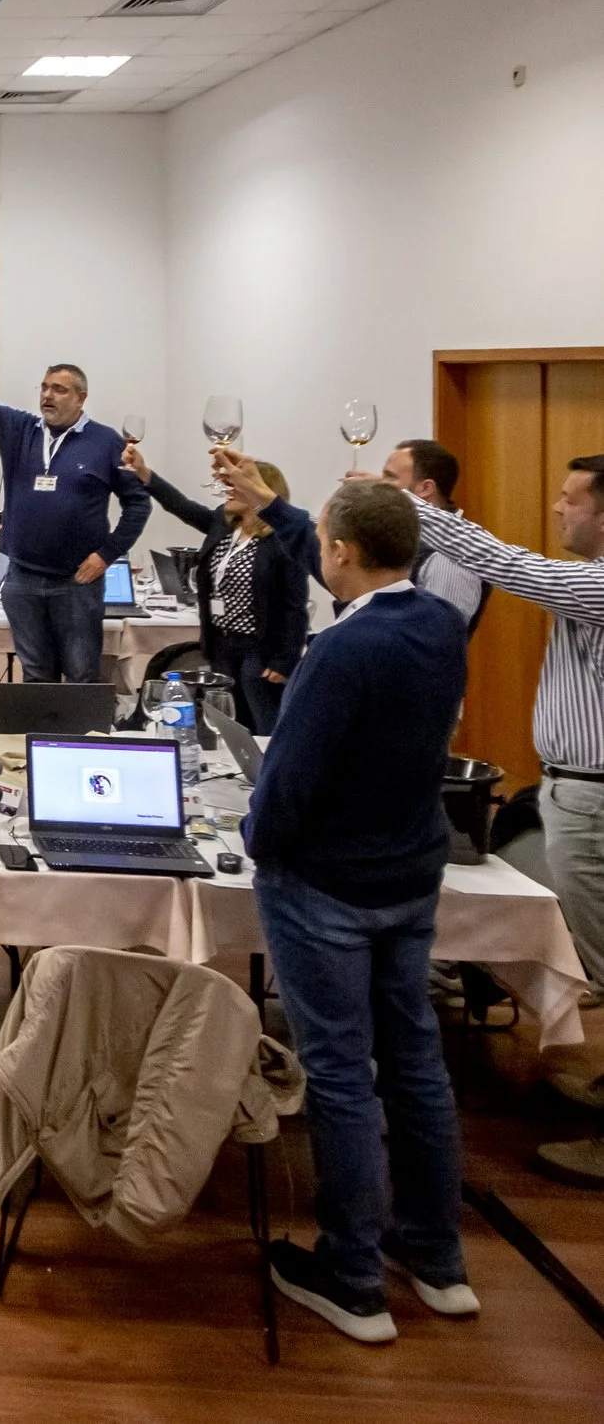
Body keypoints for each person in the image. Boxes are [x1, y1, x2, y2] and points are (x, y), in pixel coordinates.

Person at [237, 469, 477, 1341]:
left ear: (341, 553)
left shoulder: (340, 651)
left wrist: (256, 837)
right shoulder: (440, 623)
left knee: (339, 1073)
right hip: (411, 878)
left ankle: (351, 1275)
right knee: (415, 1062)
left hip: (327, 887)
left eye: (325, 544)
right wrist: (287, 508)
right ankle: (437, 1258)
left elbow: (290, 783)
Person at [395, 454, 604, 1187]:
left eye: (570, 499)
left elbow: (508, 564)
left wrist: (411, 509)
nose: (556, 508)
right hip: (576, 790)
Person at [0, 335, 148, 682]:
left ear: (81, 397)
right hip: (22, 579)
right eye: (43, 387)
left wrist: (107, 554)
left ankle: (80, 738)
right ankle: (39, 738)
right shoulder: (19, 429)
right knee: (35, 674)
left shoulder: (106, 442)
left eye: (58, 389)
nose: (46, 395)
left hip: (77, 582)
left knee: (81, 674)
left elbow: (138, 503)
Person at [126, 445, 310, 732]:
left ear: (261, 492)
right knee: (229, 721)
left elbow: (294, 605)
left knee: (263, 721)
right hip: (222, 644)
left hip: (259, 649)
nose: (228, 491)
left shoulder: (282, 541)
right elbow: (182, 506)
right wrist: (145, 474)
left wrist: (285, 658)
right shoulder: (223, 525)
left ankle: (267, 774)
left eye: (236, 486)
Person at [382, 438, 487, 630]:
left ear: (425, 488)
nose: (380, 485)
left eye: (389, 478)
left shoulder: (450, 557)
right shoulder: (406, 539)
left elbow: (437, 639)